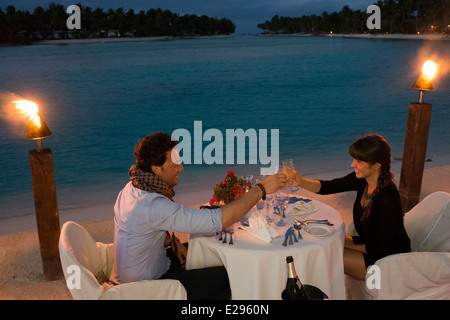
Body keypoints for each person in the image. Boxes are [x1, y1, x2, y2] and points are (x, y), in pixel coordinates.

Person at [110, 132, 286, 299]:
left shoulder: (132, 187)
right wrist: (260, 189)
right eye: (174, 164)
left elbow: (140, 230)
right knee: (232, 275)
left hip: (139, 272)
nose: (181, 167)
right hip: (145, 288)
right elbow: (216, 221)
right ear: (156, 169)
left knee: (204, 251)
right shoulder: (152, 205)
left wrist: (173, 242)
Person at [291, 134, 410, 280]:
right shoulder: (364, 180)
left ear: (376, 165)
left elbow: (379, 248)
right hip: (370, 244)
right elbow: (328, 186)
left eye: (359, 161)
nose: (352, 164)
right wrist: (300, 181)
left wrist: (339, 242)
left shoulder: (387, 198)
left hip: (388, 261)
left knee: (325, 254)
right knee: (319, 239)